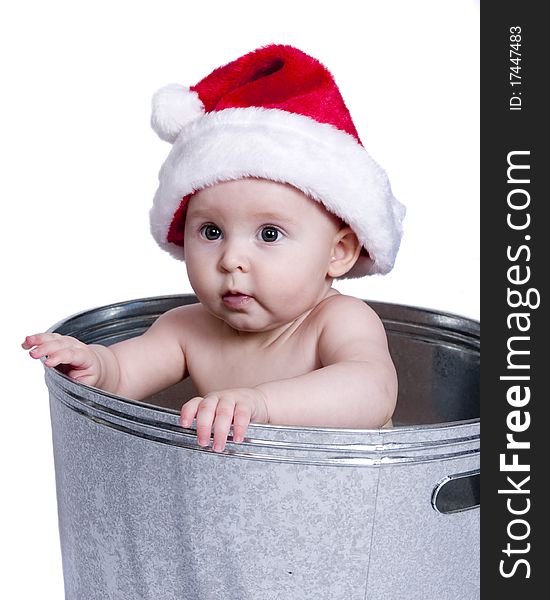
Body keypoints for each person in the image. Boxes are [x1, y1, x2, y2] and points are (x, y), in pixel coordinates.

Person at [23, 44, 405, 452]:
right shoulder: (187, 329)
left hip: (349, 504)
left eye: (269, 234)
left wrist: (262, 405)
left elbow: (372, 390)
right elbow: (122, 375)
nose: (231, 260)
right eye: (211, 232)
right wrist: (95, 365)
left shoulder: (338, 321)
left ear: (339, 252)